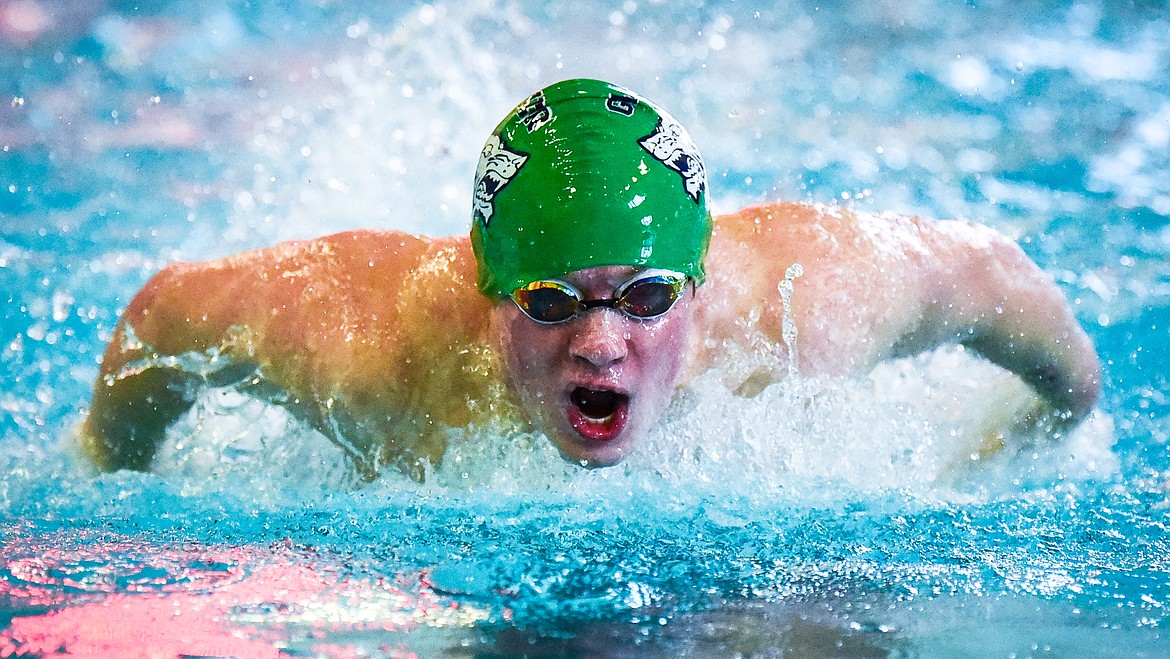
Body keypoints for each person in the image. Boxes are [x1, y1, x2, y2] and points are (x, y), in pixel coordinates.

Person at [83, 78, 1101, 479]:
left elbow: (993, 273)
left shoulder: (809, 307)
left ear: (699, 287)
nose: (602, 342)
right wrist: (113, 475)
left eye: (649, 297)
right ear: (487, 291)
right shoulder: (368, 349)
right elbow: (162, 313)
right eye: (553, 302)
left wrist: (1056, 423)